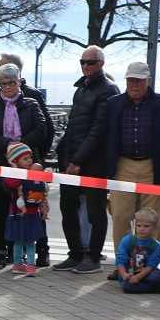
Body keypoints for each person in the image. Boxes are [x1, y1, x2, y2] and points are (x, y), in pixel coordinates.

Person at [104, 62, 160, 279]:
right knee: (119, 216)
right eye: (130, 80)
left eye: (138, 80)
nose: (134, 84)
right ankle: (122, 267)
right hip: (123, 164)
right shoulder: (114, 104)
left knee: (152, 220)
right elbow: (106, 135)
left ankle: (149, 268)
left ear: (148, 81)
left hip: (152, 166)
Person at [53, 45, 118, 274]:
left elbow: (98, 131)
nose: (85, 66)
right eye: (82, 61)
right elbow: (73, 126)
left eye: (90, 62)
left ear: (101, 64)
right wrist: (63, 155)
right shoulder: (80, 89)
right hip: (72, 159)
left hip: (94, 161)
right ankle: (75, 254)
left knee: (95, 211)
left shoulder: (108, 90)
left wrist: (78, 160)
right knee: (67, 207)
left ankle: (93, 257)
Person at [0, 64, 46, 269]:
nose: (7, 87)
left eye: (11, 83)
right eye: (3, 83)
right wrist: (8, 145)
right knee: (0, 211)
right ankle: (0, 253)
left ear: (19, 82)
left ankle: (38, 252)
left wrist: (21, 147)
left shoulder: (31, 104)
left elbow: (41, 127)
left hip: (27, 164)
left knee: (32, 207)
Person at [114, 207, 160, 294]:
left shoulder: (156, 245)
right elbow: (120, 260)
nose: (141, 229)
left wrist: (139, 277)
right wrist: (124, 275)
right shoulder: (127, 240)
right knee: (127, 287)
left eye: (146, 226)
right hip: (130, 275)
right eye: (139, 225)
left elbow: (152, 265)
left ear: (155, 228)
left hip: (148, 274)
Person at [4, 142, 47, 276]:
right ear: (15, 161)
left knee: (30, 242)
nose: (29, 161)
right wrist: (14, 170)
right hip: (18, 214)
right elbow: (11, 183)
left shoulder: (35, 175)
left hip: (32, 213)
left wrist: (44, 209)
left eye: (30, 158)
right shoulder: (17, 176)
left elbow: (44, 192)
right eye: (25, 158)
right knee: (18, 241)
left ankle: (30, 265)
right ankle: (18, 264)